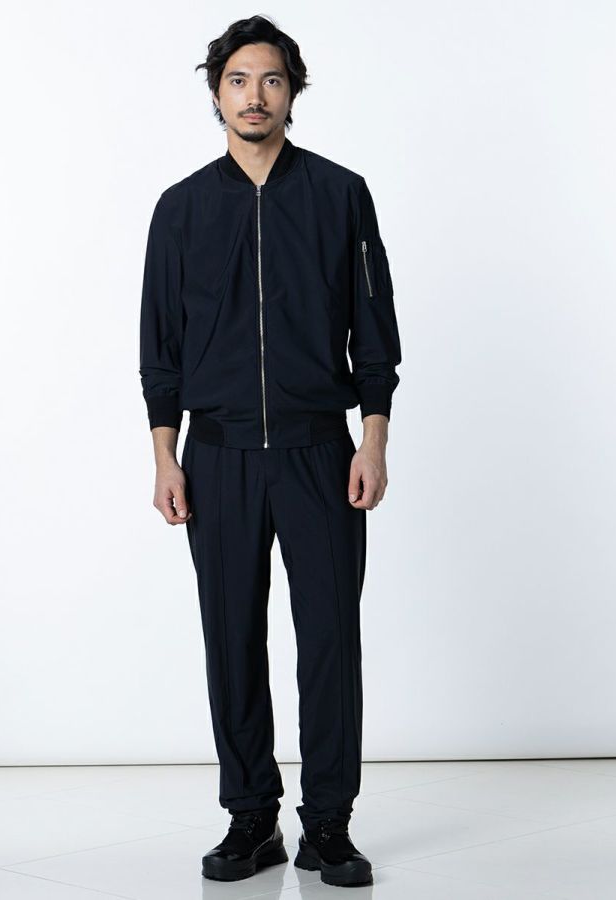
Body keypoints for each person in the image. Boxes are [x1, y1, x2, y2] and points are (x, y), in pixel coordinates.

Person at [139, 14, 401, 888]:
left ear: (294, 92)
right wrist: (166, 457)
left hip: (319, 452)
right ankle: (251, 817)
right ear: (216, 93)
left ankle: (328, 824)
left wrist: (372, 440)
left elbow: (376, 333)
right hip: (216, 459)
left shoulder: (340, 194)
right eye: (239, 80)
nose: (256, 96)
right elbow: (160, 348)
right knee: (232, 639)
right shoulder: (180, 209)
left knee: (329, 639)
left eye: (273, 79)